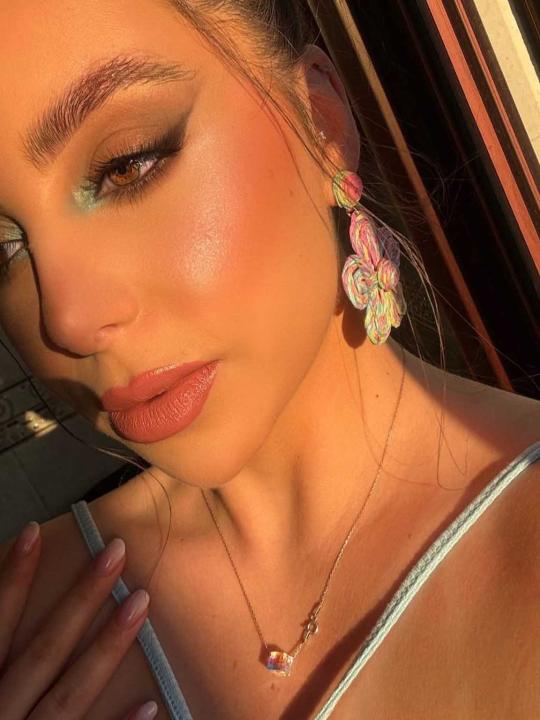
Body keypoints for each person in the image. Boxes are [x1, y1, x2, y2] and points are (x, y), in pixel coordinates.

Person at [0, 1, 538, 718]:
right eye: (3, 248)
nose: (66, 319)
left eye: (127, 165)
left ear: (321, 122)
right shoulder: (25, 626)